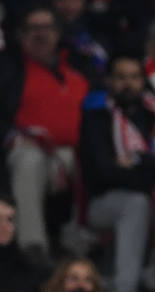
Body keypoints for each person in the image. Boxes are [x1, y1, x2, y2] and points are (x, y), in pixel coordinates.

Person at [2, 6, 90, 260]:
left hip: (70, 153)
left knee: (92, 162)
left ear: (58, 33)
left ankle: (77, 244)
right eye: (33, 29)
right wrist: (11, 135)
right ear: (21, 36)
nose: (40, 35)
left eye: (47, 28)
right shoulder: (9, 71)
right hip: (25, 148)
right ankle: (33, 248)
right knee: (30, 161)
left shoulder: (77, 70)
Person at [76, 53, 155, 292]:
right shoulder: (95, 119)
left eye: (135, 77)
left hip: (149, 197)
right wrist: (144, 167)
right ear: (110, 82)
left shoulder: (154, 117)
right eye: (121, 78)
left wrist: (133, 164)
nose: (128, 84)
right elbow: (102, 173)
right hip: (101, 203)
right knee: (137, 203)